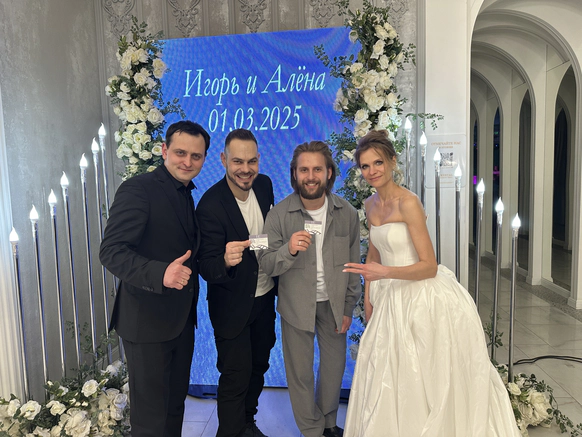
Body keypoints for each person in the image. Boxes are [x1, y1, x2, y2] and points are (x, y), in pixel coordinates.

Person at [342, 130, 521, 437]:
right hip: (388, 298)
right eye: (365, 166)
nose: (372, 171)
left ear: (392, 162)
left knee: (425, 372)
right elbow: (373, 256)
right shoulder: (370, 204)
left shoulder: (409, 202)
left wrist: (385, 273)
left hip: (421, 295)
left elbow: (428, 266)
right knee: (388, 372)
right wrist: (369, 300)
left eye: (378, 163)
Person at [100, 120, 210, 437]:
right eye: (180, 153)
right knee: (150, 420)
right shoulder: (139, 189)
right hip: (146, 323)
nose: (187, 162)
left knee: (174, 408)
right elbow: (111, 251)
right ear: (164, 151)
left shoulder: (186, 193)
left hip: (180, 322)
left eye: (196, 156)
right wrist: (161, 273)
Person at [258, 141, 361, 437]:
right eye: (304, 170)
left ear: (329, 173)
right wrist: (288, 250)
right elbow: (266, 263)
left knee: (333, 368)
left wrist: (348, 307)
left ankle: (328, 422)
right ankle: (312, 430)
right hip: (295, 307)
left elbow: (353, 264)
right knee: (300, 373)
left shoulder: (347, 213)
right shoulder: (278, 215)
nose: (311, 176)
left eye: (317, 169)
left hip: (334, 305)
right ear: (294, 174)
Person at [197, 129, 276, 437]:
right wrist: (225, 261)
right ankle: (230, 432)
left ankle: (246, 424)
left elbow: (264, 237)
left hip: (264, 298)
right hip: (231, 305)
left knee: (258, 368)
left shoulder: (264, 185)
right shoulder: (210, 205)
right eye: (238, 161)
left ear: (259, 160)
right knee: (235, 376)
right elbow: (206, 267)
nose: (246, 169)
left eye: (251, 161)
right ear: (223, 160)